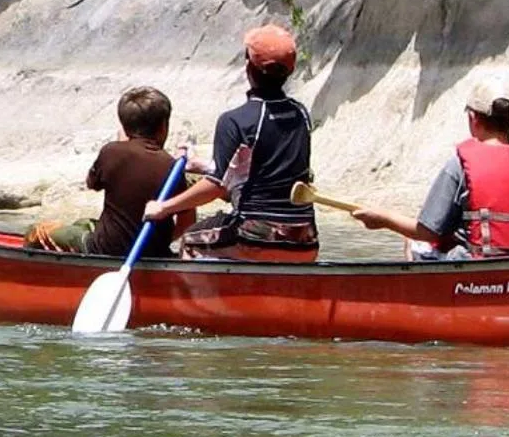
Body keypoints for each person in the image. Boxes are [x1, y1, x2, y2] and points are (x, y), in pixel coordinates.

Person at [145, 23, 319, 262]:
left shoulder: (235, 120)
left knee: (190, 239)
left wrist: (163, 207)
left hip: (255, 238)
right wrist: (203, 165)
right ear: (290, 70)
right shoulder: (301, 114)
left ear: (248, 66)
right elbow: (265, 170)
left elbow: (216, 186)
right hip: (306, 240)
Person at [348, 77, 509, 258]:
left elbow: (427, 231)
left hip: (477, 274)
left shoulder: (459, 165)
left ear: (473, 118)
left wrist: (383, 219)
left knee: (415, 242)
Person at [27, 86, 193, 257]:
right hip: (154, 252)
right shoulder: (173, 167)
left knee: (37, 230)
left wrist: (121, 144)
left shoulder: (111, 152)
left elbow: (91, 183)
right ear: (163, 127)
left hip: (106, 249)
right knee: (83, 223)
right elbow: (187, 222)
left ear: (125, 127)